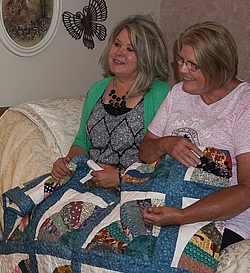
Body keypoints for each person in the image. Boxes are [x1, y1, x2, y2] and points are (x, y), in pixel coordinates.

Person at [139, 21, 250, 249]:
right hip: (172, 201)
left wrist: (182, 216)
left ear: (218, 66)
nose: (182, 70)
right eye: (181, 61)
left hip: (230, 216)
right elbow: (145, 152)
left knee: (163, 255)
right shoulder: (178, 94)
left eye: (193, 65)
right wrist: (165, 144)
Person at [51, 15, 171, 188]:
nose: (119, 52)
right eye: (117, 44)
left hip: (132, 188)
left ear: (147, 56)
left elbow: (164, 158)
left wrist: (122, 177)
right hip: (89, 182)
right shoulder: (97, 89)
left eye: (130, 49)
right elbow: (82, 141)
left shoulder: (160, 94)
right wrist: (67, 163)